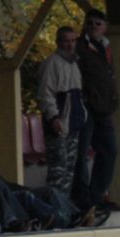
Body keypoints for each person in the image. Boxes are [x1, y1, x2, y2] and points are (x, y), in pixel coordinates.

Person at [0, 118, 82, 229]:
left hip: (9, 193)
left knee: (48, 191)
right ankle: (63, 220)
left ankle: (77, 215)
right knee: (27, 196)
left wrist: (25, 188)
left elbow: (5, 184)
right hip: (2, 201)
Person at [73, 9, 119, 212]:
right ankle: (82, 199)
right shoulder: (80, 48)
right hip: (87, 108)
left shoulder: (106, 48)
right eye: (89, 23)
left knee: (110, 150)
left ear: (105, 27)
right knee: (81, 152)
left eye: (97, 24)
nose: (93, 27)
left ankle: (96, 195)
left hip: (104, 109)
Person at [38, 25, 86, 203]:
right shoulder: (51, 64)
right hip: (58, 124)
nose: (70, 44)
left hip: (74, 123)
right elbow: (45, 94)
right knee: (57, 170)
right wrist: (53, 116)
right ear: (58, 42)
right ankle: (51, 207)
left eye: (73, 40)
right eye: (66, 41)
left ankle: (63, 206)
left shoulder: (75, 64)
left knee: (69, 171)